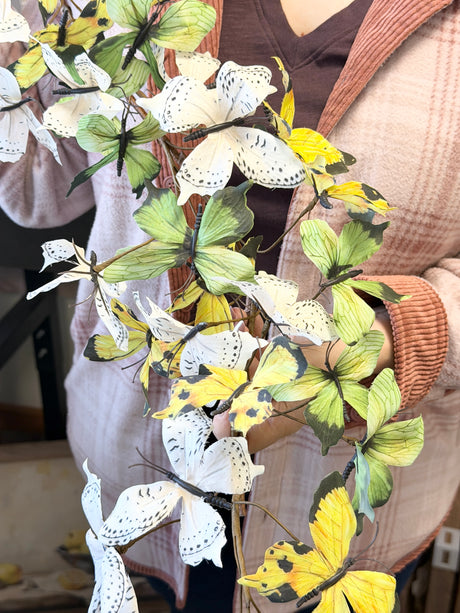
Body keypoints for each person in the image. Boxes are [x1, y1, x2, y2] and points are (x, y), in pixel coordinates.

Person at [1, 0, 459, 611]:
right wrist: (22, 46)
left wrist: (390, 339)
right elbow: (33, 191)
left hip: (346, 505)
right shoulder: (95, 13)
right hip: (138, 454)